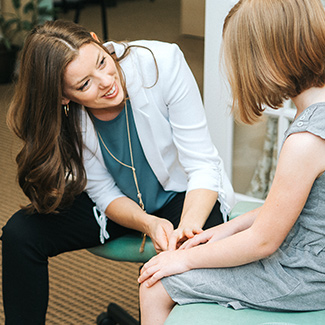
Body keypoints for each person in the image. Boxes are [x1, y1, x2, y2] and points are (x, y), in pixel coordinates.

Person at [1, 19, 235, 324]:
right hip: (119, 206)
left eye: (101, 61)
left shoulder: (162, 63)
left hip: (184, 196)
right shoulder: (65, 119)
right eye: (85, 84)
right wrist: (147, 223)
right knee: (22, 232)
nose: (106, 81)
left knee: (176, 268)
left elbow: (202, 164)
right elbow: (103, 192)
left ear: (99, 40)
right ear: (63, 97)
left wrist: (185, 232)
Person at [138, 0, 325, 323]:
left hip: (306, 276)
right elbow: (297, 206)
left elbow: (264, 241)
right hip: (312, 256)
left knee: (155, 284)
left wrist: (186, 260)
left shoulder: (306, 140)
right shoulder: (314, 114)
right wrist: (228, 228)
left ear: (266, 59)